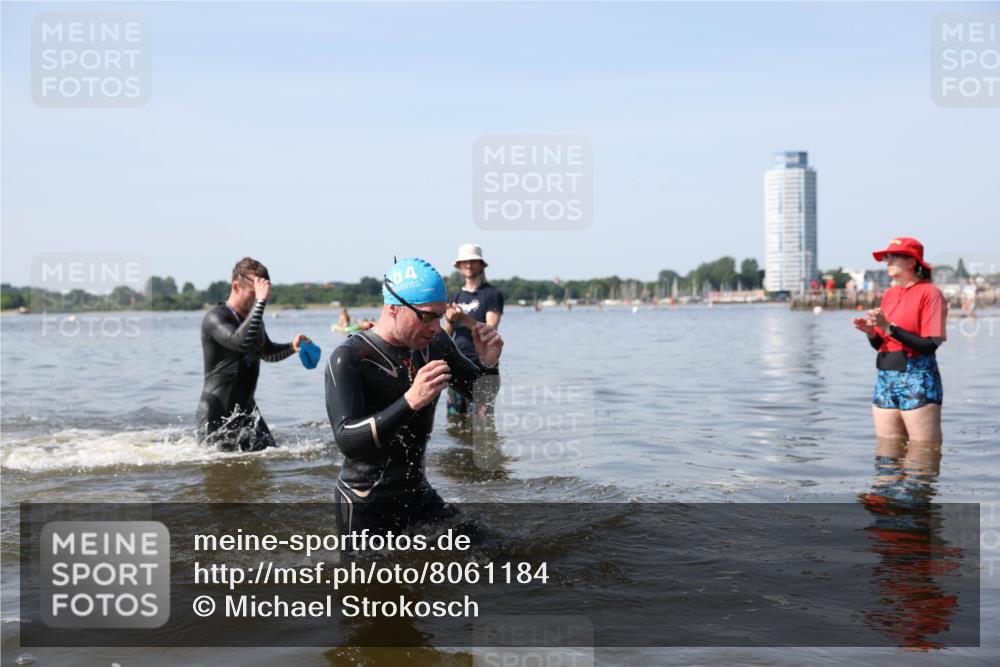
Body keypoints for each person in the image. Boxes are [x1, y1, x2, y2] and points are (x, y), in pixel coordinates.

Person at [325, 257, 504, 534]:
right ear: (394, 309)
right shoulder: (350, 357)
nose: (436, 327)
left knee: (495, 552)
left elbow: (483, 396)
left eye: (440, 316)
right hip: (364, 501)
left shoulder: (437, 345)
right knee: (366, 579)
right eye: (427, 316)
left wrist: (489, 364)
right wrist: (411, 401)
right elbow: (347, 440)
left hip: (418, 495)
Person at [853, 237, 947, 503]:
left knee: (922, 454)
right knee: (887, 452)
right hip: (885, 375)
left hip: (918, 377)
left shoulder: (930, 293)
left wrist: (890, 326)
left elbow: (930, 345)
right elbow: (882, 344)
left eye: (893, 257)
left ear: (912, 262)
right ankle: (887, 514)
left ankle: (916, 517)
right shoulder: (890, 294)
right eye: (886, 257)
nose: (888, 262)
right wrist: (872, 332)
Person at [197, 257, 311, 451]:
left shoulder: (253, 321)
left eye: (262, 294)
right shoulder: (215, 317)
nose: (259, 299)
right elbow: (240, 342)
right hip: (217, 414)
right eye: (254, 293)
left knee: (273, 458)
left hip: (247, 412)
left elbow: (266, 353)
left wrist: (292, 347)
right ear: (236, 287)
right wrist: (260, 302)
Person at [442, 243, 504, 417]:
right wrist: (449, 319)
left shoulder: (492, 294)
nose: (468, 265)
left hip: (483, 367)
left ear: (481, 265)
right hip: (457, 365)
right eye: (464, 262)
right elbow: (447, 334)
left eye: (473, 261)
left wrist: (463, 318)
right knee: (455, 419)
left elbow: (491, 330)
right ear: (459, 266)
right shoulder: (456, 296)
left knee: (483, 423)